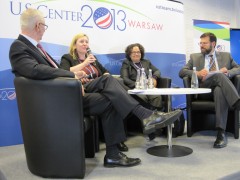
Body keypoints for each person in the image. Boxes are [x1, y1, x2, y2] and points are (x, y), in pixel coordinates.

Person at [9, 8, 181, 168]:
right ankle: (146, 116)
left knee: (110, 92)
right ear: (38, 26)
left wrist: (74, 79)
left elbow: (50, 72)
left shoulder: (34, 48)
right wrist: (72, 77)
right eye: (44, 26)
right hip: (58, 100)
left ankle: (114, 154)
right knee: (110, 88)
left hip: (68, 92)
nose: (44, 29)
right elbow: (34, 70)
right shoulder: (20, 46)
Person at [60, 33, 129, 152]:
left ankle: (117, 142)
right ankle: (138, 110)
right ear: (75, 45)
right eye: (81, 41)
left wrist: (106, 74)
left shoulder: (93, 59)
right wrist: (85, 63)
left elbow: (105, 73)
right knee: (113, 93)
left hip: (99, 87)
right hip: (83, 88)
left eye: (86, 41)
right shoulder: (68, 57)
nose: (85, 44)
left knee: (113, 93)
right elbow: (64, 72)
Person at [179, 32, 240, 148]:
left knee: (219, 89)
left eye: (205, 43)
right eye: (200, 43)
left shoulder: (226, 56)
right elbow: (182, 72)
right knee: (219, 75)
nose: (201, 45)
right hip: (204, 89)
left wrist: (228, 72)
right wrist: (197, 73)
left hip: (220, 89)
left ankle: (221, 134)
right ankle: (236, 102)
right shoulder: (194, 57)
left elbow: (238, 68)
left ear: (213, 44)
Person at [121, 43, 163, 110]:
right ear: (129, 54)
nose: (136, 54)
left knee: (156, 96)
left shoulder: (146, 62)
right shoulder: (126, 63)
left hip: (147, 88)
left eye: (138, 52)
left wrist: (154, 78)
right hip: (136, 88)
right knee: (143, 98)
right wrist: (138, 85)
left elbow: (157, 71)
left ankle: (156, 116)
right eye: (134, 52)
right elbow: (124, 78)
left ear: (141, 53)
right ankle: (146, 116)